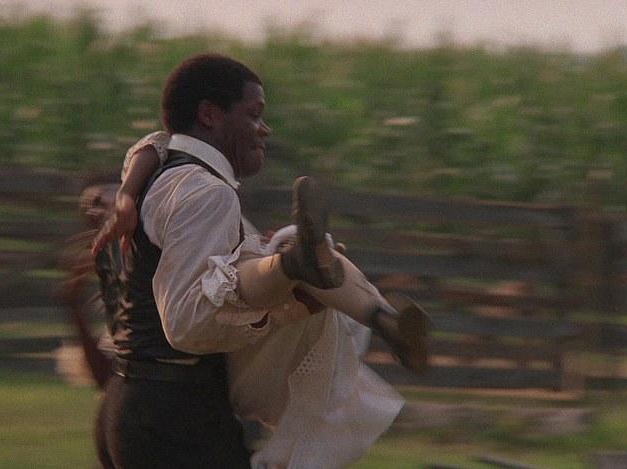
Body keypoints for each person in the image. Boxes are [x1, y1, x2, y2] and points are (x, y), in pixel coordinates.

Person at [77, 52, 426, 469]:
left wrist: (125, 191)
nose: (265, 128)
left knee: (289, 248)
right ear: (209, 114)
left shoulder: (160, 172)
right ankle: (305, 272)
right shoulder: (207, 192)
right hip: (174, 412)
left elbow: (154, 143)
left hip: (131, 400)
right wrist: (286, 311)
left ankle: (340, 290)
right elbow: (186, 324)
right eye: (254, 114)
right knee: (280, 255)